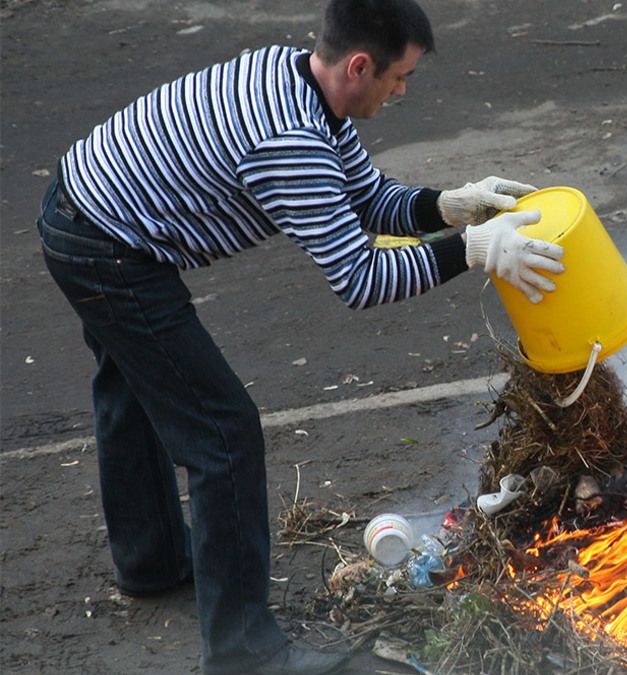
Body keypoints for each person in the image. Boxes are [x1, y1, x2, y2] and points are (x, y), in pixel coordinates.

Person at [35, 0, 564, 673]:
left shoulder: (302, 81)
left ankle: (153, 560)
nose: (403, 92)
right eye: (400, 78)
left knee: (135, 386)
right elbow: (361, 278)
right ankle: (243, 652)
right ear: (361, 66)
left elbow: (365, 198)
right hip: (105, 246)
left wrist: (448, 205)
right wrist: (471, 251)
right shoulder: (289, 138)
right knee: (223, 432)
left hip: (89, 209)